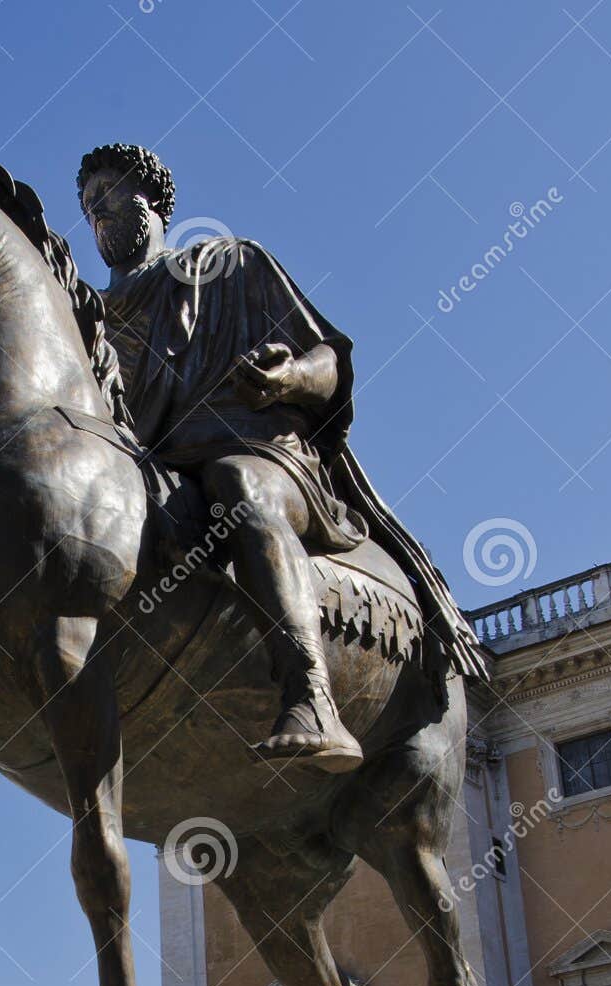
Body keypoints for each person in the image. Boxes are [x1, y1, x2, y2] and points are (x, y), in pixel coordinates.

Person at [76, 141, 486, 768]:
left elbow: (329, 362)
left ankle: (311, 692)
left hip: (261, 453)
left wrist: (288, 377)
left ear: (151, 197)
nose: (96, 213)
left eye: (108, 195)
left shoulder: (230, 265)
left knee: (238, 486)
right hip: (153, 471)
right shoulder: (90, 322)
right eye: (86, 206)